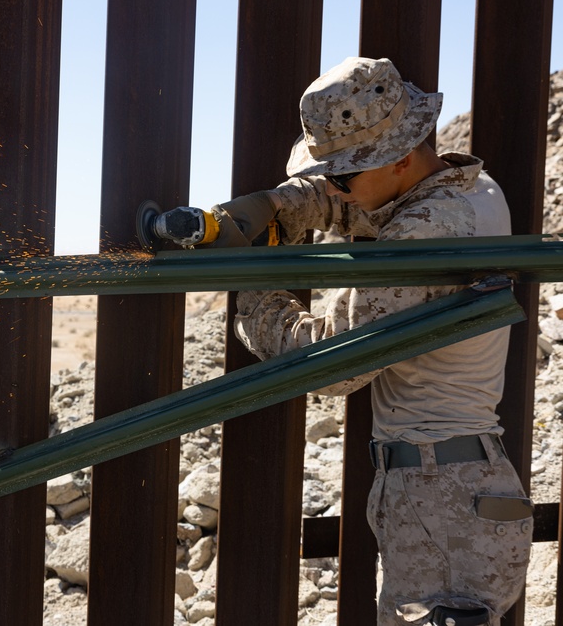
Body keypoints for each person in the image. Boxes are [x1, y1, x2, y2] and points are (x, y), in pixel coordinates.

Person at [154, 57, 532, 625]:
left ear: (401, 158)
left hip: (440, 499)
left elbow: (332, 363)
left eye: (342, 175)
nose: (335, 189)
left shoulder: (424, 234)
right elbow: (370, 205)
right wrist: (276, 205)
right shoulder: (469, 191)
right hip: (457, 489)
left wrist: (253, 285)